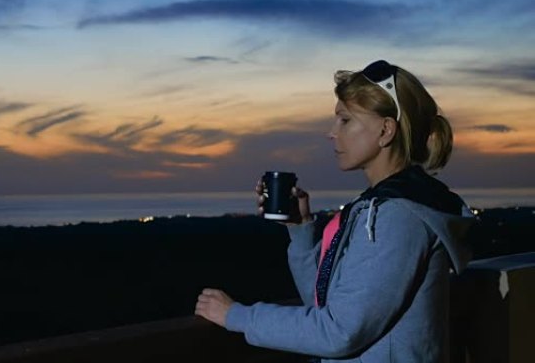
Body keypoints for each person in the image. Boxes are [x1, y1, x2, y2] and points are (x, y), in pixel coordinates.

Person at [194, 60, 475, 362]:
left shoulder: (398, 217)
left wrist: (237, 316)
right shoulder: (381, 206)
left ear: (385, 130)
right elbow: (329, 306)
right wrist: (300, 228)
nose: (332, 132)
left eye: (345, 120)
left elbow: (339, 333)